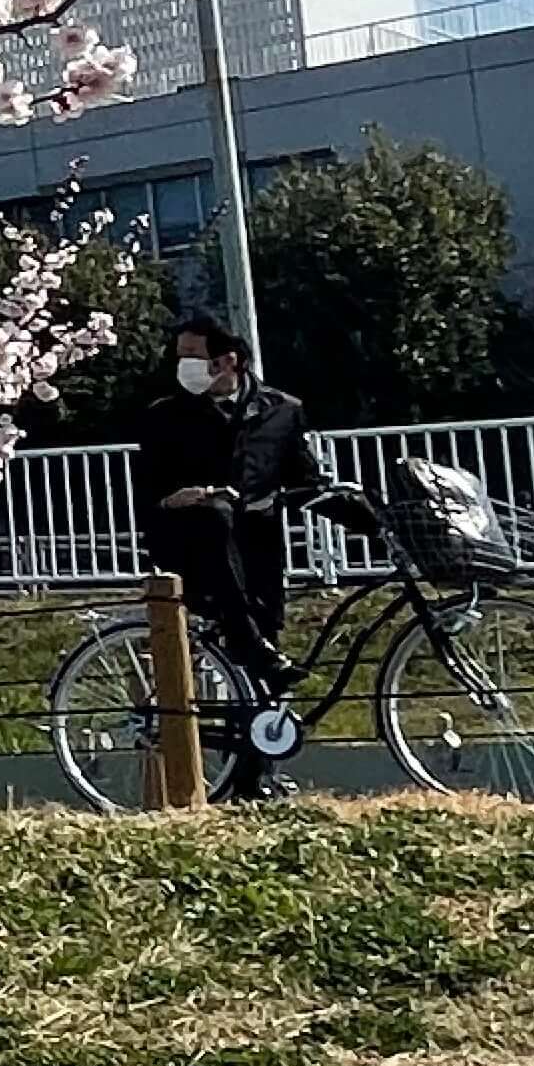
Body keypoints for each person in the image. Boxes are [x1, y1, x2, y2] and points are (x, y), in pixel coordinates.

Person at [135, 317, 329, 796]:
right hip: (190, 547)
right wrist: (174, 499)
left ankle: (255, 778)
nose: (182, 366)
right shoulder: (165, 415)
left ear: (228, 360)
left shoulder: (282, 410)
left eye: (192, 356)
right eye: (179, 355)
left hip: (258, 551)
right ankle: (248, 650)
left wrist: (370, 517)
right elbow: (145, 493)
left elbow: (306, 481)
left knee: (263, 666)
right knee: (215, 516)